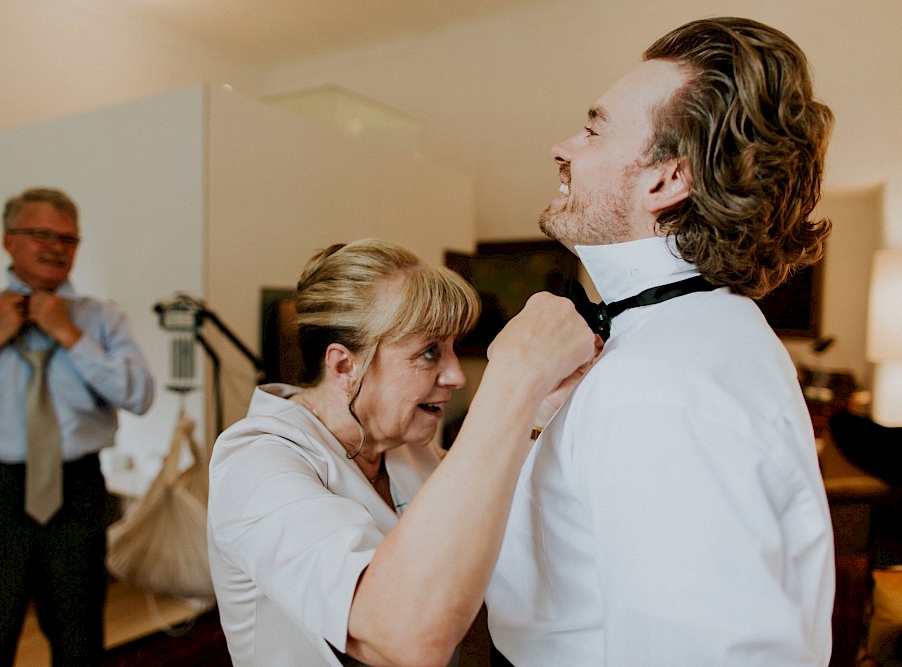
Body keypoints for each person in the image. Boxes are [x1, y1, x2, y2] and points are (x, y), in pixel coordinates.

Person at [485, 17, 836, 665]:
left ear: (666, 180)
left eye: (593, 128)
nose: (564, 146)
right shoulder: (680, 342)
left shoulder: (663, 381)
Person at [207, 239, 597, 666]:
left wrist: (538, 410)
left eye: (451, 349)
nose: (455, 376)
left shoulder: (409, 451)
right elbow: (403, 636)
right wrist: (513, 380)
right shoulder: (256, 466)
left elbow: (488, 509)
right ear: (343, 366)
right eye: (430, 353)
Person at [0, 187, 155, 666]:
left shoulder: (102, 320)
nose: (57, 247)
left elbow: (140, 396)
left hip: (77, 491)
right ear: (8, 240)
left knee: (80, 642)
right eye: (41, 234)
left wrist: (70, 335)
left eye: (69, 238)